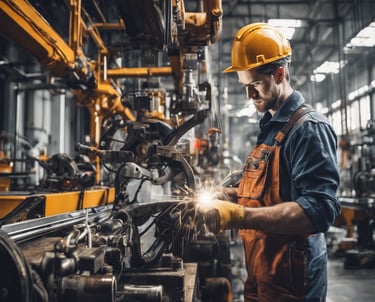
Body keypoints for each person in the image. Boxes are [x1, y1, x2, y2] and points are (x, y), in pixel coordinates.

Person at [199, 23, 341, 301]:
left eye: (254, 85)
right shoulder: (272, 128)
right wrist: (230, 196)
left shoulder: (307, 129)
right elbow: (270, 194)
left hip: (293, 280)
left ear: (279, 73)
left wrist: (240, 216)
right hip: (263, 272)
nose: (249, 96)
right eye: (244, 86)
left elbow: (320, 210)